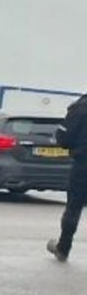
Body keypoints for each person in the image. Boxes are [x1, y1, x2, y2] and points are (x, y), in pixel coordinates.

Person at [47, 94, 87, 261]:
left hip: (83, 165)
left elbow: (64, 137)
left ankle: (63, 248)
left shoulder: (81, 107)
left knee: (73, 207)